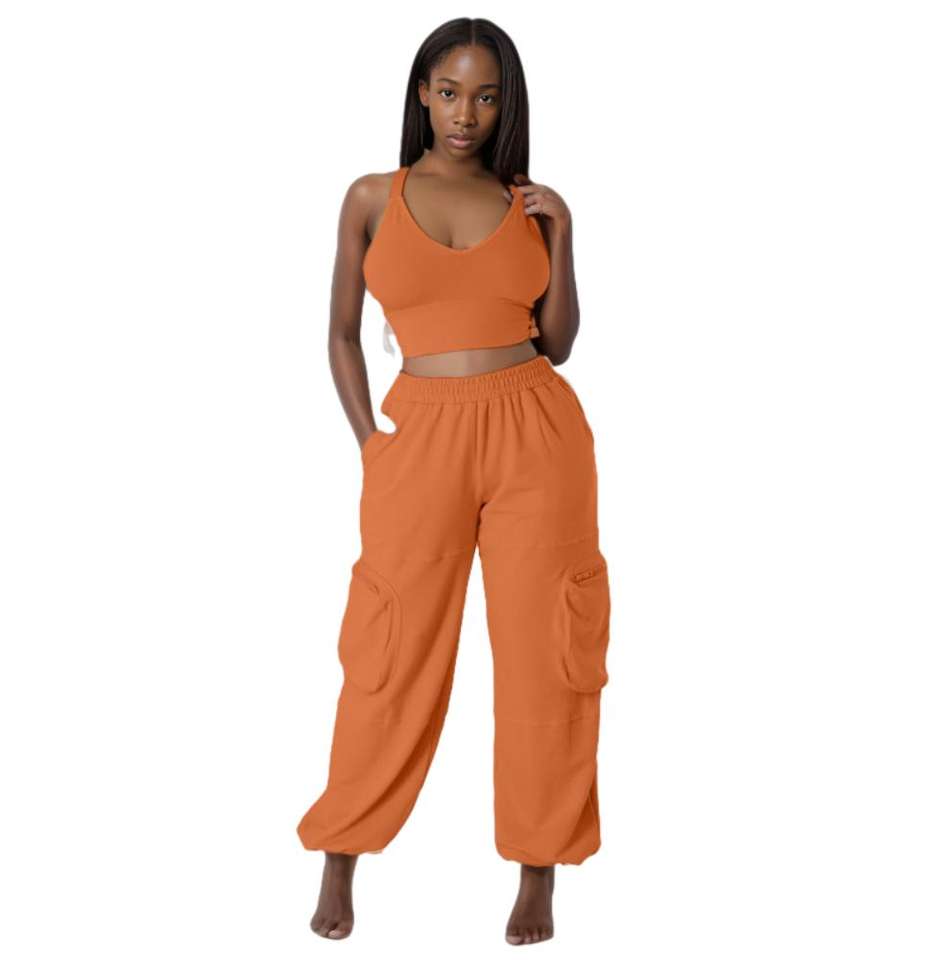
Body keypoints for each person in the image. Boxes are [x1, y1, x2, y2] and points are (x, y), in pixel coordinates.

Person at [296, 17, 610, 946]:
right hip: (419, 435)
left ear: (506, 105)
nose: (465, 113)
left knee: (548, 652)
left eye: (485, 96)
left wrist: (566, 229)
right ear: (421, 95)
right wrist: (371, 442)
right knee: (388, 647)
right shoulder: (371, 196)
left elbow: (560, 342)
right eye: (448, 92)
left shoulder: (528, 203)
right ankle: (341, 850)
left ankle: (538, 869)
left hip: (536, 432)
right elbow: (340, 333)